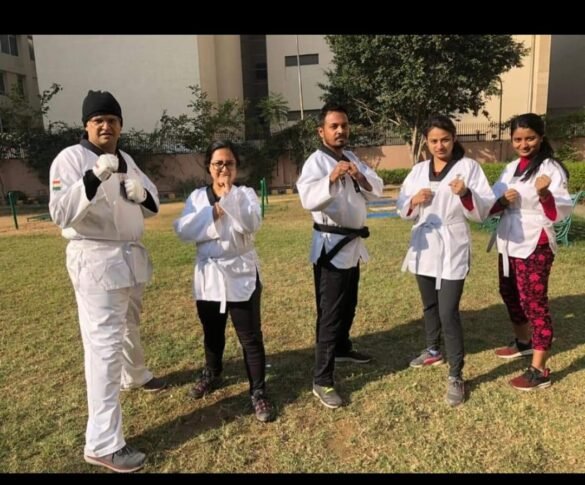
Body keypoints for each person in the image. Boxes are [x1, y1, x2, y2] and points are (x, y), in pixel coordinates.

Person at [49, 90, 166, 473]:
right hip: (96, 259)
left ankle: (136, 375)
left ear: (120, 125)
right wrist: (93, 177)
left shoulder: (127, 160)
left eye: (112, 120)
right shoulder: (70, 159)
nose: (105, 126)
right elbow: (59, 212)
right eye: (97, 120)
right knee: (104, 349)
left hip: (130, 257)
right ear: (86, 125)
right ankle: (102, 443)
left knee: (130, 324)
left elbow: (154, 203)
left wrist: (141, 194)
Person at [397, 115, 494, 407]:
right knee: (429, 304)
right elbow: (401, 205)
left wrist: (465, 193)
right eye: (434, 141)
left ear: (454, 139)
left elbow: (483, 209)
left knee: (448, 310)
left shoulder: (468, 168)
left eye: (445, 140)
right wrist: (413, 201)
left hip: (452, 243)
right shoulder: (418, 171)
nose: (440, 146)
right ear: (426, 142)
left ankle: (455, 374)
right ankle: (432, 350)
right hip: (425, 244)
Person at [173, 140, 274, 423]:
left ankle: (258, 391)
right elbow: (182, 230)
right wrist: (212, 213)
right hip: (209, 275)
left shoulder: (246, 194)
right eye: (218, 163)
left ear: (236, 167)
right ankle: (212, 372)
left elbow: (252, 224)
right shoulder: (197, 198)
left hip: (241, 272)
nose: (224, 168)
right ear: (209, 167)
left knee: (250, 336)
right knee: (212, 332)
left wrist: (230, 200)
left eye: (229, 163)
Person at [296, 103, 384, 409]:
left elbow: (377, 189)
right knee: (330, 313)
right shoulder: (316, 162)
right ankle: (322, 379)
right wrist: (332, 177)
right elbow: (308, 198)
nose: (340, 130)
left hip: (352, 243)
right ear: (321, 131)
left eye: (344, 125)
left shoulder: (353, 158)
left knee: (349, 303)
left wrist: (358, 175)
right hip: (330, 245)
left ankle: (343, 347)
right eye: (334, 126)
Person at [490, 113, 572, 390]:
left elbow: (558, 212)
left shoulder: (551, 168)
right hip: (509, 239)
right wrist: (502, 201)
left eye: (530, 138)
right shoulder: (511, 167)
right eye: (518, 139)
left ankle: (539, 369)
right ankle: (523, 342)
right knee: (509, 292)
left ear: (541, 137)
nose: (524, 144)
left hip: (535, 240)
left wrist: (545, 194)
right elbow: (492, 203)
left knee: (534, 302)